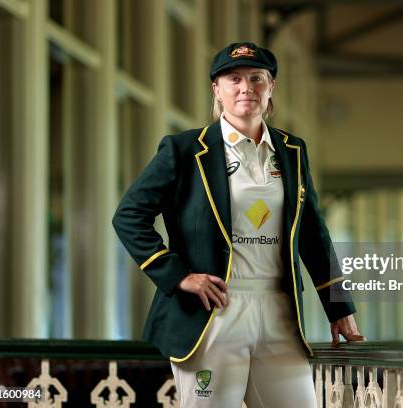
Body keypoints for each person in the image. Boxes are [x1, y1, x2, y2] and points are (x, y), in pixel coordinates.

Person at [112, 41, 364, 407]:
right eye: (234, 79)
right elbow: (129, 215)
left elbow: (313, 233)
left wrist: (339, 306)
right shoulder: (184, 151)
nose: (246, 87)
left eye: (256, 78)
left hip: (280, 311)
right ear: (217, 89)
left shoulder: (293, 151)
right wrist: (178, 275)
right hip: (213, 313)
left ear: (271, 86)